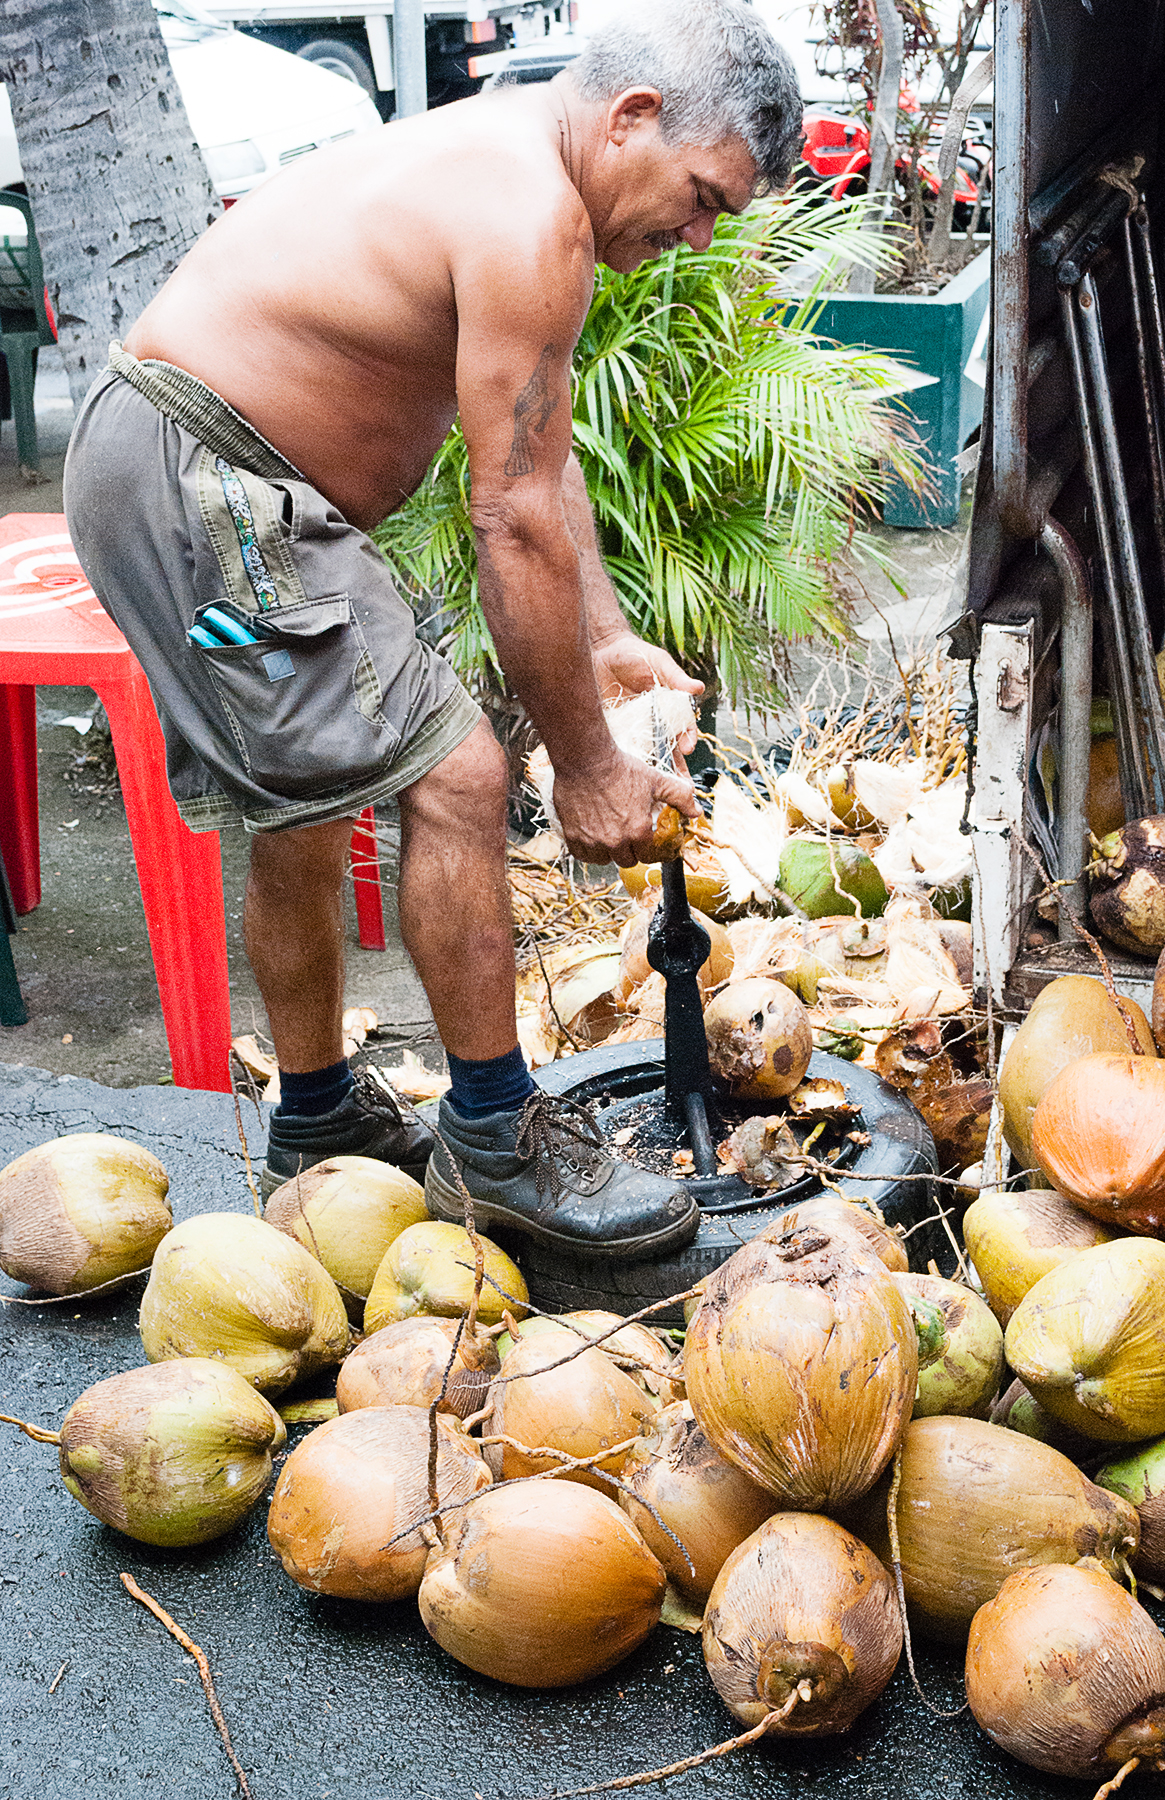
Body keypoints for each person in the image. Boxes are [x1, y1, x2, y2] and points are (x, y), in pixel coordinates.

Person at [62, 0, 803, 1260]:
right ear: (630, 118)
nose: (692, 233)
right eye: (700, 197)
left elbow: (529, 444)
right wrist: (585, 766)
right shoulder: (531, 219)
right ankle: (499, 1141)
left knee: (300, 794)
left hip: (181, 464)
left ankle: (313, 1118)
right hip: (215, 480)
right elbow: (509, 518)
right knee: (461, 774)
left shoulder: (514, 157)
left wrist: (608, 638)